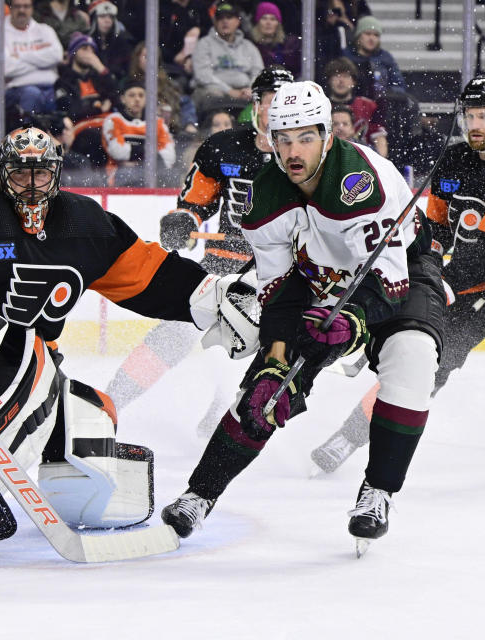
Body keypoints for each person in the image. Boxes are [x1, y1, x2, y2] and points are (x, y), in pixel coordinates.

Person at [0, 126, 253, 561]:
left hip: (28, 368)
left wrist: (213, 297)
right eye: (22, 174)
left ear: (58, 173)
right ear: (2, 173)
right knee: (30, 365)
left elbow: (149, 275)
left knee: (91, 418)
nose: (33, 185)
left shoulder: (83, 223)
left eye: (43, 173)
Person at [161, 81, 445, 551]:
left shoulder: (360, 183)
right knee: (264, 395)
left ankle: (377, 491)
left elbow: (390, 285)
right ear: (269, 138)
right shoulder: (263, 197)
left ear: (327, 136)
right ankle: (200, 493)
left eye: (306, 138)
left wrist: (349, 324)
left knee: (412, 358)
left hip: (400, 274)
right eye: (283, 139)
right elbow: (279, 287)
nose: (294, 151)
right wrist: (275, 358)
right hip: (320, 278)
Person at [311, 74, 485, 479]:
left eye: (484, 116)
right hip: (470, 288)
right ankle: (349, 436)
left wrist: (444, 283)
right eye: (470, 115)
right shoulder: (452, 162)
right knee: (420, 364)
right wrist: (422, 266)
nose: (474, 124)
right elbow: (435, 229)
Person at [105, 66, 293, 429]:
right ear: (254, 106)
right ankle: (110, 402)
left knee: (264, 354)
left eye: (283, 103)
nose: (275, 111)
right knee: (173, 334)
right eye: (269, 102)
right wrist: (184, 221)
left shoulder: (309, 155)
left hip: (281, 275)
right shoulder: (222, 147)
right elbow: (195, 202)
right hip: (223, 267)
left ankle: (229, 419)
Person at [0, 0, 64, 115]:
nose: (22, 10)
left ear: (32, 8)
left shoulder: (45, 30)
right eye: (17, 6)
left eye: (26, 6)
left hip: (50, 89)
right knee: (32, 94)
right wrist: (42, 64)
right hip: (16, 92)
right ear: (10, 8)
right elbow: (5, 69)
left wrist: (20, 57)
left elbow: (57, 56)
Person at [191, 1, 264, 115]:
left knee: (264, 96)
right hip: (215, 92)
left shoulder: (249, 46)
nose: (225, 21)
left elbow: (258, 73)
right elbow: (203, 75)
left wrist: (251, 89)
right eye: (220, 18)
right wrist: (229, 91)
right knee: (212, 94)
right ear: (215, 21)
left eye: (229, 17)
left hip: (245, 92)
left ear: (238, 21)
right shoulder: (204, 44)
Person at [100, 80, 176, 186]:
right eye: (132, 95)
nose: (137, 99)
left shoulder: (158, 123)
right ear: (123, 99)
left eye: (141, 95)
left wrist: (134, 158)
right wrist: (151, 153)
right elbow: (117, 152)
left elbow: (168, 158)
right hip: (118, 178)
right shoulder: (113, 120)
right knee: (128, 172)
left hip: (152, 175)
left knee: (171, 177)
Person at [324, 57, 387, 157]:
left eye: (345, 76)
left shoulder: (369, 106)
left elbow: (379, 138)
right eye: (336, 76)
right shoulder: (320, 107)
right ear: (329, 80)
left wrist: (381, 162)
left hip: (361, 160)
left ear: (354, 81)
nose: (341, 81)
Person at [55, 32, 118, 124]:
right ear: (74, 53)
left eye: (92, 50)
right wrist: (99, 109)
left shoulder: (99, 77)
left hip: (108, 124)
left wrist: (102, 70)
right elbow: (71, 112)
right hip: (82, 126)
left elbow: (118, 98)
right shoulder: (63, 82)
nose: (89, 53)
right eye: (84, 49)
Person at [348, 15, 406, 98]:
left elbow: (399, 85)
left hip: (381, 103)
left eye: (376, 35)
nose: (372, 38)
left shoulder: (385, 57)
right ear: (359, 36)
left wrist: (385, 95)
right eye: (368, 34)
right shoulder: (347, 56)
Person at [249, 2, 301, 78]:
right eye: (264, 18)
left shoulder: (289, 45)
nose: (268, 23)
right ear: (258, 22)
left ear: (278, 24)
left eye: (273, 19)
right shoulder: (250, 45)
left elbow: (295, 71)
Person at [87, 0, 134, 76]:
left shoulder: (123, 43)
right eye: (102, 16)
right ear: (93, 19)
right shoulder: (86, 43)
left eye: (111, 17)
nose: (107, 20)